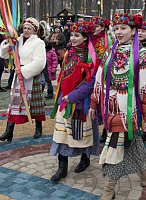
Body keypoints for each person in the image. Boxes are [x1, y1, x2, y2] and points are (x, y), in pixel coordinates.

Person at [89, 13, 146, 199]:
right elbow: (99, 80)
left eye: (123, 28)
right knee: (133, 143)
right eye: (116, 28)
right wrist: (94, 103)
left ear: (134, 31)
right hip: (109, 109)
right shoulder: (110, 52)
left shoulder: (142, 56)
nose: (118, 32)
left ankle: (108, 190)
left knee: (114, 149)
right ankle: (144, 171)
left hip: (129, 111)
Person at [50, 21, 99, 182]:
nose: (72, 38)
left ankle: (85, 158)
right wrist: (62, 96)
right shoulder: (69, 53)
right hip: (65, 102)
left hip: (80, 104)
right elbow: (64, 76)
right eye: (72, 35)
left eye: (77, 35)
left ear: (85, 38)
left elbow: (91, 83)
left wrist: (73, 96)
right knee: (61, 135)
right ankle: (62, 167)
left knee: (81, 135)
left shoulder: (91, 56)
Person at [0, 17, 46, 141]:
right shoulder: (17, 41)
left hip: (31, 75)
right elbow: (4, 54)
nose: (26, 31)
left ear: (34, 30)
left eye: (29, 29)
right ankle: (9, 131)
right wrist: (8, 43)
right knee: (15, 102)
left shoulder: (38, 43)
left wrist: (23, 71)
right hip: (18, 75)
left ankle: (38, 128)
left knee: (35, 104)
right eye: (24, 28)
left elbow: (40, 62)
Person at [90, 16, 114, 143]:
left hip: (102, 76)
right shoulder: (89, 39)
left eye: (97, 26)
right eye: (93, 26)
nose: (94, 28)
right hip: (90, 76)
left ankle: (105, 129)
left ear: (103, 28)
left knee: (104, 104)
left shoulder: (108, 40)